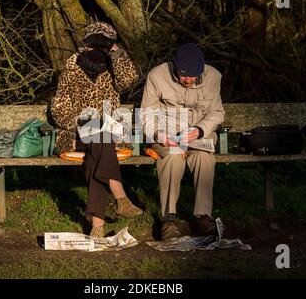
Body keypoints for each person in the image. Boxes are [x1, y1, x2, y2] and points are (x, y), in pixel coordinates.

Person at [50, 22, 143, 238]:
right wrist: (80, 121)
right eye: (95, 45)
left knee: (97, 156)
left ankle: (97, 227)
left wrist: (115, 51)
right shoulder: (71, 70)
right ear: (86, 45)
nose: (98, 51)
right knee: (96, 134)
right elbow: (59, 108)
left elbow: (130, 79)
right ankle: (121, 197)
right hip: (76, 133)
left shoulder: (113, 68)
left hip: (108, 134)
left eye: (104, 46)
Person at [140, 43, 225, 240]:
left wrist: (200, 130)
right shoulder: (157, 76)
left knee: (204, 159)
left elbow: (216, 112)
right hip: (166, 136)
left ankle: (203, 216)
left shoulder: (214, 77)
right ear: (175, 68)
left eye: (193, 76)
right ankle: (168, 219)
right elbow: (147, 114)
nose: (189, 80)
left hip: (199, 136)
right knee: (172, 158)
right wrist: (159, 134)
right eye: (184, 75)